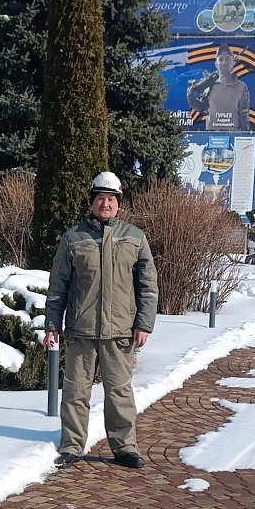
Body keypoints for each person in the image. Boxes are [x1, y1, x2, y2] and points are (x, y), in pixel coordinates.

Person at [43, 171, 158, 470]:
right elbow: (58, 286)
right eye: (100, 199)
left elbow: (148, 286)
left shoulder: (135, 237)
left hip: (120, 331)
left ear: (118, 203)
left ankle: (125, 447)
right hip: (81, 330)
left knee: (120, 393)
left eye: (110, 199)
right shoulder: (73, 238)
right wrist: (52, 324)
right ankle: (71, 446)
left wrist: (143, 324)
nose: (105, 204)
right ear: (92, 201)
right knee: (75, 392)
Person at [187, 43, 250, 132]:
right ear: (216, 64)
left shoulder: (241, 86)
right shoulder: (209, 86)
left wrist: (245, 134)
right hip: (211, 134)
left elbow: (244, 113)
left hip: (233, 134)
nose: (224, 63)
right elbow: (201, 108)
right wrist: (190, 94)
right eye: (221, 59)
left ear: (233, 63)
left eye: (227, 59)